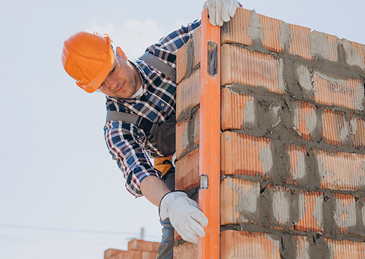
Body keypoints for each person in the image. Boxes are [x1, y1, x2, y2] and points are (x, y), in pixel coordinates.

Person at [62, 1, 239, 258]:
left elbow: (214, 22)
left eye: (111, 70)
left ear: (119, 52)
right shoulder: (117, 126)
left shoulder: (165, 54)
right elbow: (141, 174)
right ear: (89, 88)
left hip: (217, 134)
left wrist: (221, 8)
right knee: (174, 234)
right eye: (101, 83)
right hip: (175, 169)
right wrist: (170, 203)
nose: (113, 83)